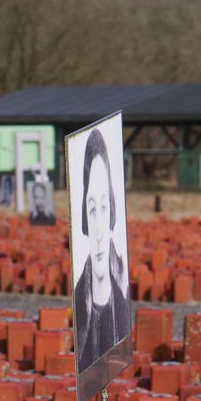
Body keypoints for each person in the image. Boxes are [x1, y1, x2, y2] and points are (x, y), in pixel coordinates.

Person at [73, 127, 130, 378]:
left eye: (104, 208)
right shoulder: (78, 300)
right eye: (92, 209)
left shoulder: (123, 290)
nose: (97, 234)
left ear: (113, 213)